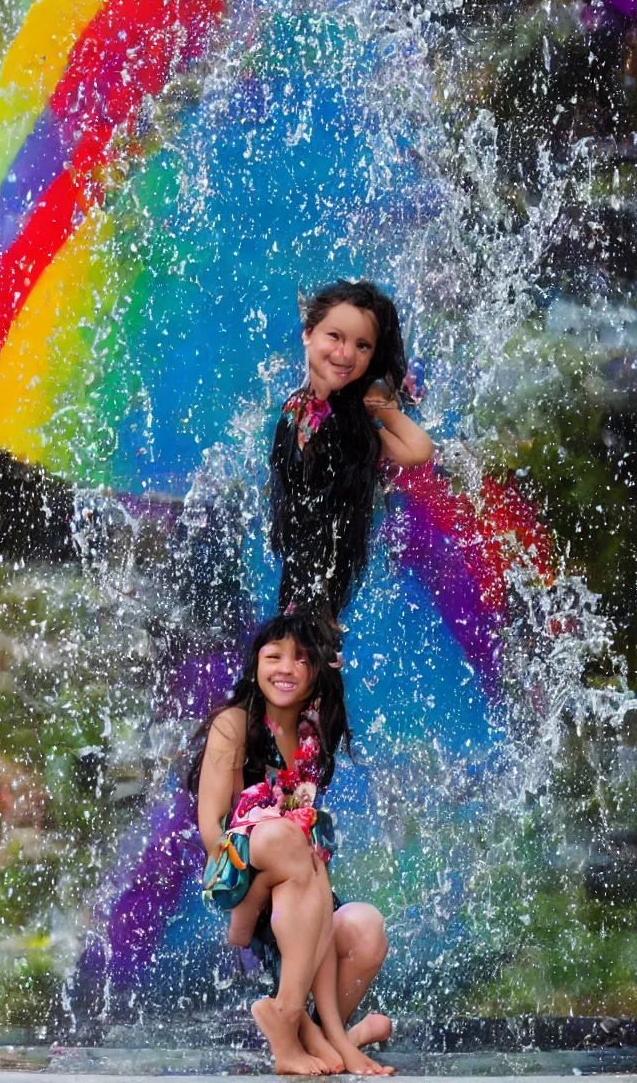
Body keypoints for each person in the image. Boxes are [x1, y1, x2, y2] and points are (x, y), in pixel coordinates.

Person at [190, 610, 394, 1076]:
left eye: (302, 659)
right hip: (241, 861)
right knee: (290, 838)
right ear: (255, 662)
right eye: (274, 655)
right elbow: (211, 828)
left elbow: (307, 843)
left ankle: (330, 1038)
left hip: (296, 886)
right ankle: (300, 1024)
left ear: (317, 672)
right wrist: (251, 896)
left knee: (366, 927)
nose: (286, 668)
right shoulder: (234, 723)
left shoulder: (311, 731)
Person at [270, 279, 433, 623]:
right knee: (306, 648)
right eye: (335, 336)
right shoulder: (300, 409)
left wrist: (380, 408)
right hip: (306, 579)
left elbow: (418, 450)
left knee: (318, 651)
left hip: (332, 582)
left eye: (362, 346)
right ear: (308, 334)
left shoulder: (354, 423)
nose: (345, 354)